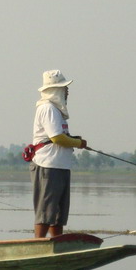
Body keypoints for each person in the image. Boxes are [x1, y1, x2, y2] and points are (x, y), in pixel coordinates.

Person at [30, 70, 88, 238]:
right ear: (55, 90)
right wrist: (78, 143)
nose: (67, 91)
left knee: (58, 215)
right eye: (64, 88)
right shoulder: (47, 108)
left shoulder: (57, 112)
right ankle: (39, 245)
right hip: (48, 164)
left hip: (61, 165)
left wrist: (74, 140)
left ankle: (57, 244)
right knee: (46, 211)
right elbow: (56, 138)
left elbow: (61, 137)